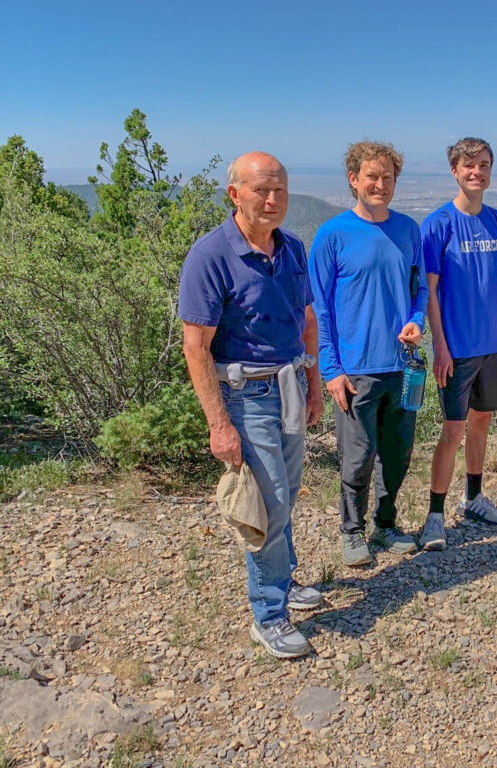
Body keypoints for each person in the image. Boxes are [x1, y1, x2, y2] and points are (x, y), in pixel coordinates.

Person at [179, 152, 324, 659]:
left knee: (287, 495)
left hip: (288, 385)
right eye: (262, 189)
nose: (272, 199)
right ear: (234, 194)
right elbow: (195, 346)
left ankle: (283, 582)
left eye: (280, 189)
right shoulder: (210, 255)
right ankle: (269, 614)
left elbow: (305, 317)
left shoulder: (290, 247)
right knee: (269, 503)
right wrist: (219, 425)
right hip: (244, 395)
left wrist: (314, 380)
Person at [308, 141, 428, 567]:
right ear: (353, 180)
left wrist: (418, 321)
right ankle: (351, 530)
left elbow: (420, 289)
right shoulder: (332, 234)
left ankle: (386, 524)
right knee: (357, 457)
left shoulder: (408, 230)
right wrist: (331, 368)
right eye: (372, 177)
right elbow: (319, 306)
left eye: (387, 178)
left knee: (397, 454)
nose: (380, 184)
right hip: (355, 370)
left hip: (401, 365)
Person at [418, 138, 497, 550]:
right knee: (452, 430)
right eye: (469, 166)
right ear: (455, 171)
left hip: (490, 345)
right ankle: (435, 516)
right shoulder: (438, 224)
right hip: (455, 348)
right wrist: (439, 346)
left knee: (481, 423)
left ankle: (473, 497)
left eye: (485, 165)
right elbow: (430, 291)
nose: (477, 172)